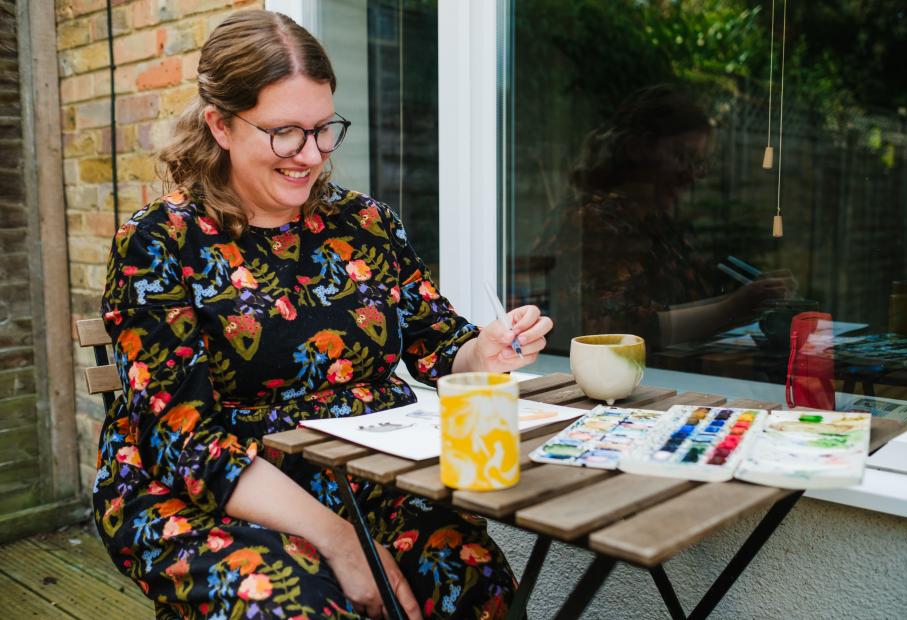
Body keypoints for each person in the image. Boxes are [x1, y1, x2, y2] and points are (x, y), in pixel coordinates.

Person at [94, 10, 552, 620]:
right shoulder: (160, 241)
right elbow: (185, 443)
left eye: (323, 129)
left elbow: (440, 344)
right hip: (213, 491)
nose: (309, 155)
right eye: (285, 132)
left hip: (364, 477)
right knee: (298, 603)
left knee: (473, 580)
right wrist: (340, 541)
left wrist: (485, 351)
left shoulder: (365, 224)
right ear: (221, 125)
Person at [539, 84, 794, 350]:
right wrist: (733, 307)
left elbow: (679, 308)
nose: (694, 175)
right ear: (637, 149)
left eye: (700, 163)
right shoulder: (592, 223)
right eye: (682, 157)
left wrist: (751, 297)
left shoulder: (659, 225)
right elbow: (619, 332)